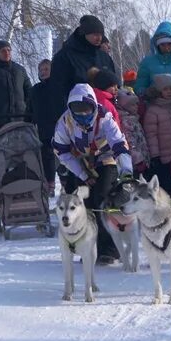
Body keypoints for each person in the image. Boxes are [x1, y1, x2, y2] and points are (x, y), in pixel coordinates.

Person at [53, 83, 132, 265]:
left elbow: (119, 145)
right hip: (81, 162)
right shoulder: (65, 122)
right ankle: (88, 245)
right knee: (83, 203)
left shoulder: (104, 118)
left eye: (86, 109)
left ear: (93, 107)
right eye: (77, 110)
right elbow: (61, 151)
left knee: (103, 199)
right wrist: (82, 174)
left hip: (106, 158)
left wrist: (127, 172)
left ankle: (110, 249)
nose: (82, 114)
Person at [49, 14, 119, 123]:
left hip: (106, 114)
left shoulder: (104, 57)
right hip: (78, 115)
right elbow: (58, 91)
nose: (99, 38)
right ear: (84, 34)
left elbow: (114, 83)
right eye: (95, 34)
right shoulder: (65, 56)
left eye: (101, 34)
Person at [143, 74, 171, 198]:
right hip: (165, 157)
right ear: (158, 91)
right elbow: (151, 135)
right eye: (165, 89)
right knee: (169, 186)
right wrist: (155, 155)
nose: (169, 92)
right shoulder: (153, 110)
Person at [30, 58, 58, 193]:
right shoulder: (35, 89)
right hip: (42, 128)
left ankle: (66, 185)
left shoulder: (59, 86)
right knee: (46, 156)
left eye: (46, 69)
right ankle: (49, 183)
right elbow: (29, 108)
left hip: (59, 127)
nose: (43, 72)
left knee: (62, 157)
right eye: (40, 70)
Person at [113, 88, 149, 175]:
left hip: (143, 157)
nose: (136, 107)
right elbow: (130, 141)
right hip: (135, 163)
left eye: (136, 104)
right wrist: (138, 159)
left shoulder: (134, 118)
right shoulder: (126, 122)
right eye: (133, 105)